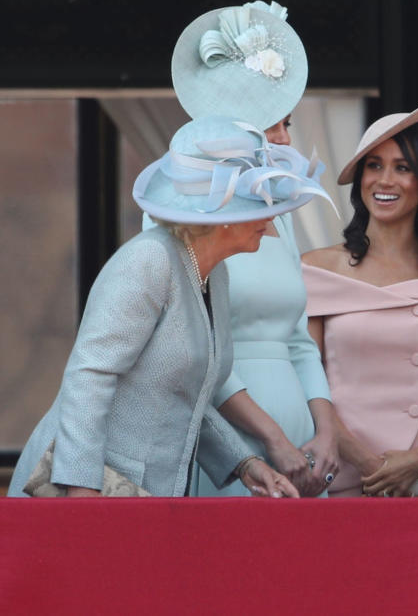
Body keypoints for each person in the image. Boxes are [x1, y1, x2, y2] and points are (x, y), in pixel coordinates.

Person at [8, 116, 310, 498]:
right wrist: (81, 493)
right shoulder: (149, 260)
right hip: (86, 490)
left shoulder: (214, 274)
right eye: (259, 201)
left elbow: (185, 394)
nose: (272, 214)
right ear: (220, 217)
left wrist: (244, 463)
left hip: (141, 499)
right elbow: (90, 375)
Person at [169, 0, 339, 497]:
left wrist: (326, 432)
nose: (286, 138)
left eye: (289, 123)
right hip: (231, 446)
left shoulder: (275, 218)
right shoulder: (184, 209)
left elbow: (298, 340)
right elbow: (196, 348)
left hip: (301, 449)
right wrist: (271, 439)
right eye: (275, 125)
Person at [301, 89, 418, 497]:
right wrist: (370, 465)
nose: (385, 180)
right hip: (344, 472)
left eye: (403, 168)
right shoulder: (316, 269)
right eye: (374, 166)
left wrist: (417, 461)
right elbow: (306, 382)